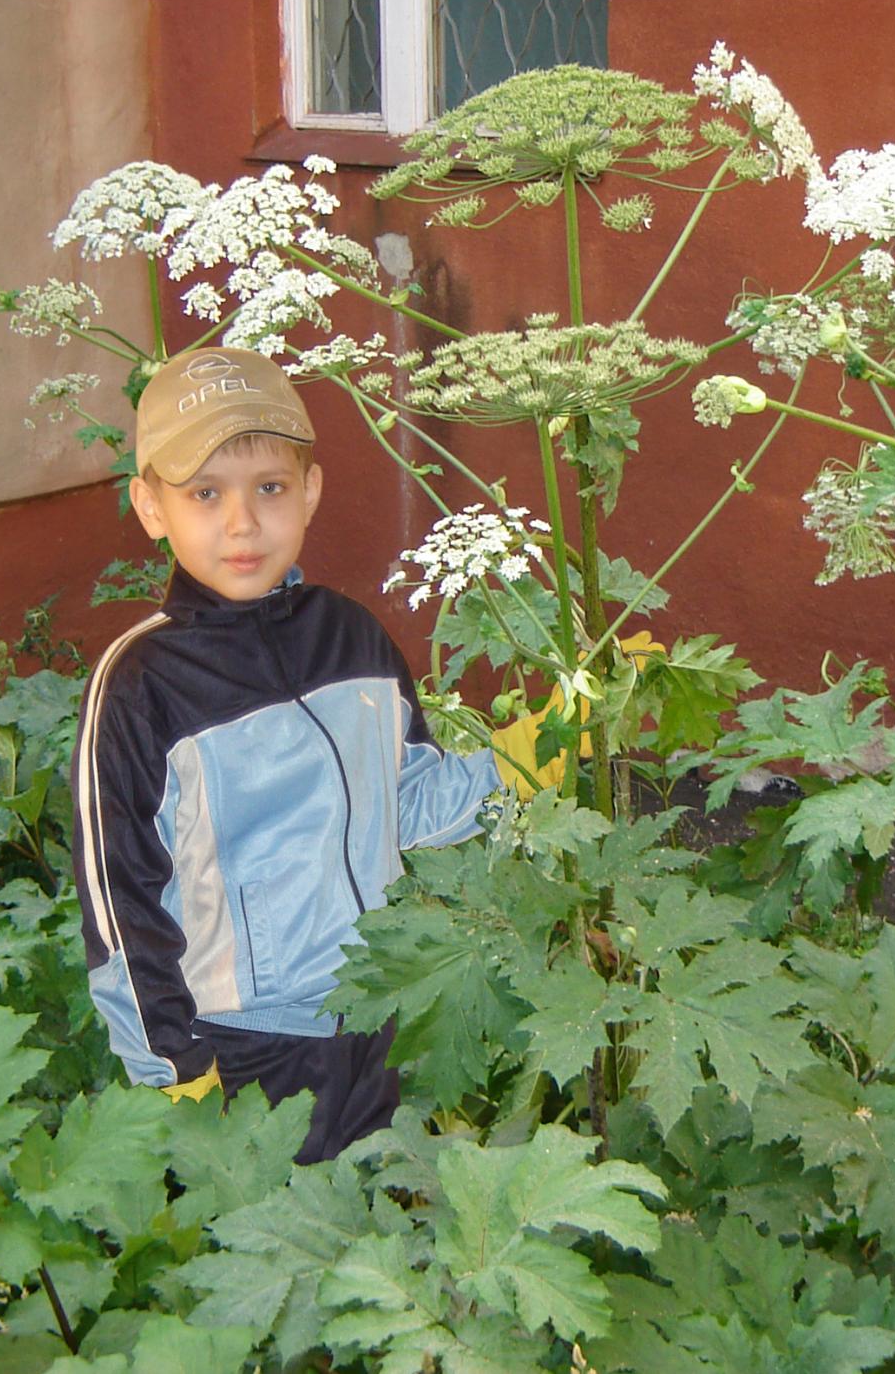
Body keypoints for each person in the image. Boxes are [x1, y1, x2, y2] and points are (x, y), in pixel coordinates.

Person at [70, 346, 543, 1161]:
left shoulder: (353, 638)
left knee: (387, 1229)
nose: (242, 522)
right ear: (151, 506)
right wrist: (171, 1062)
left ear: (311, 490)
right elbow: (119, 903)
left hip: (374, 1009)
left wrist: (530, 757)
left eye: (270, 488)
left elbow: (412, 804)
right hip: (243, 1046)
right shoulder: (141, 684)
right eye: (205, 494)